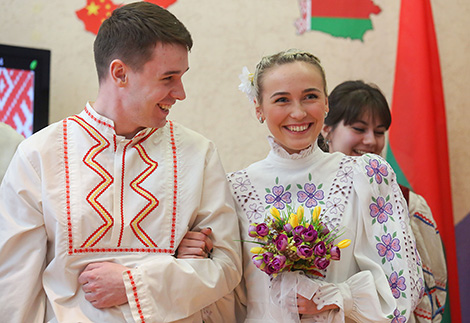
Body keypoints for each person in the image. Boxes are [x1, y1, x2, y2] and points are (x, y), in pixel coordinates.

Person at [0, 2, 241, 322]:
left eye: (181, 77)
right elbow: (16, 284)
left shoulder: (199, 154)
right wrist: (171, 264)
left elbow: (225, 267)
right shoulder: (39, 155)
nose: (180, 93)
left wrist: (133, 283)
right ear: (120, 73)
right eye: (168, 78)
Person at [320, 80, 447, 322]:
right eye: (359, 129)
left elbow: (432, 284)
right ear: (327, 129)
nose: (371, 141)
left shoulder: (408, 203)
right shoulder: (305, 196)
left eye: (379, 132)